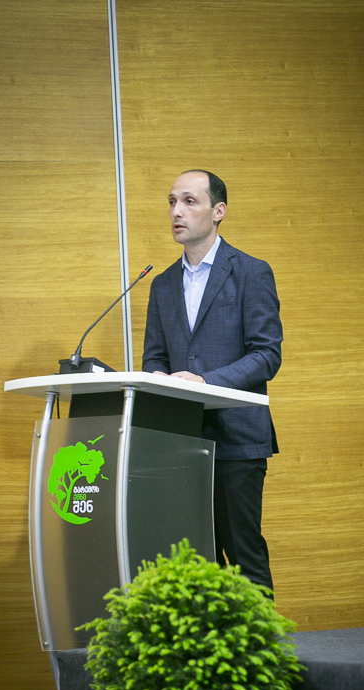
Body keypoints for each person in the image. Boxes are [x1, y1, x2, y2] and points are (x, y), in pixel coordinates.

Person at [142, 170, 282, 590]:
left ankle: (258, 635)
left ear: (218, 211)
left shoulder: (251, 272)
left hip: (237, 436)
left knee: (242, 554)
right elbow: (155, 356)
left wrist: (205, 381)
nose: (176, 212)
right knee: (196, 560)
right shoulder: (161, 284)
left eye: (189, 201)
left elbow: (266, 355)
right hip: (181, 439)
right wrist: (157, 378)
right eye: (172, 202)